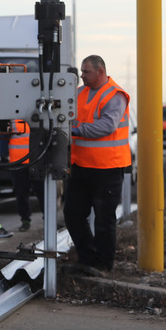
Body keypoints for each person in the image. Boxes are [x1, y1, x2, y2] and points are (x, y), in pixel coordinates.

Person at [64, 55, 132, 273]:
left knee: (104, 220)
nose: (82, 76)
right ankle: (87, 258)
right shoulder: (80, 93)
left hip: (107, 168)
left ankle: (103, 265)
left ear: (100, 71)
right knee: (73, 214)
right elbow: (67, 116)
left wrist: (74, 130)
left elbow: (107, 126)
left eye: (86, 72)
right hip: (82, 166)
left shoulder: (115, 95)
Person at [9, 120, 44, 231]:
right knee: (21, 193)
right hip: (18, 161)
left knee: (42, 192)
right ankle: (25, 220)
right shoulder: (12, 118)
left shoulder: (37, 114)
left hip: (36, 160)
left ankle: (48, 218)